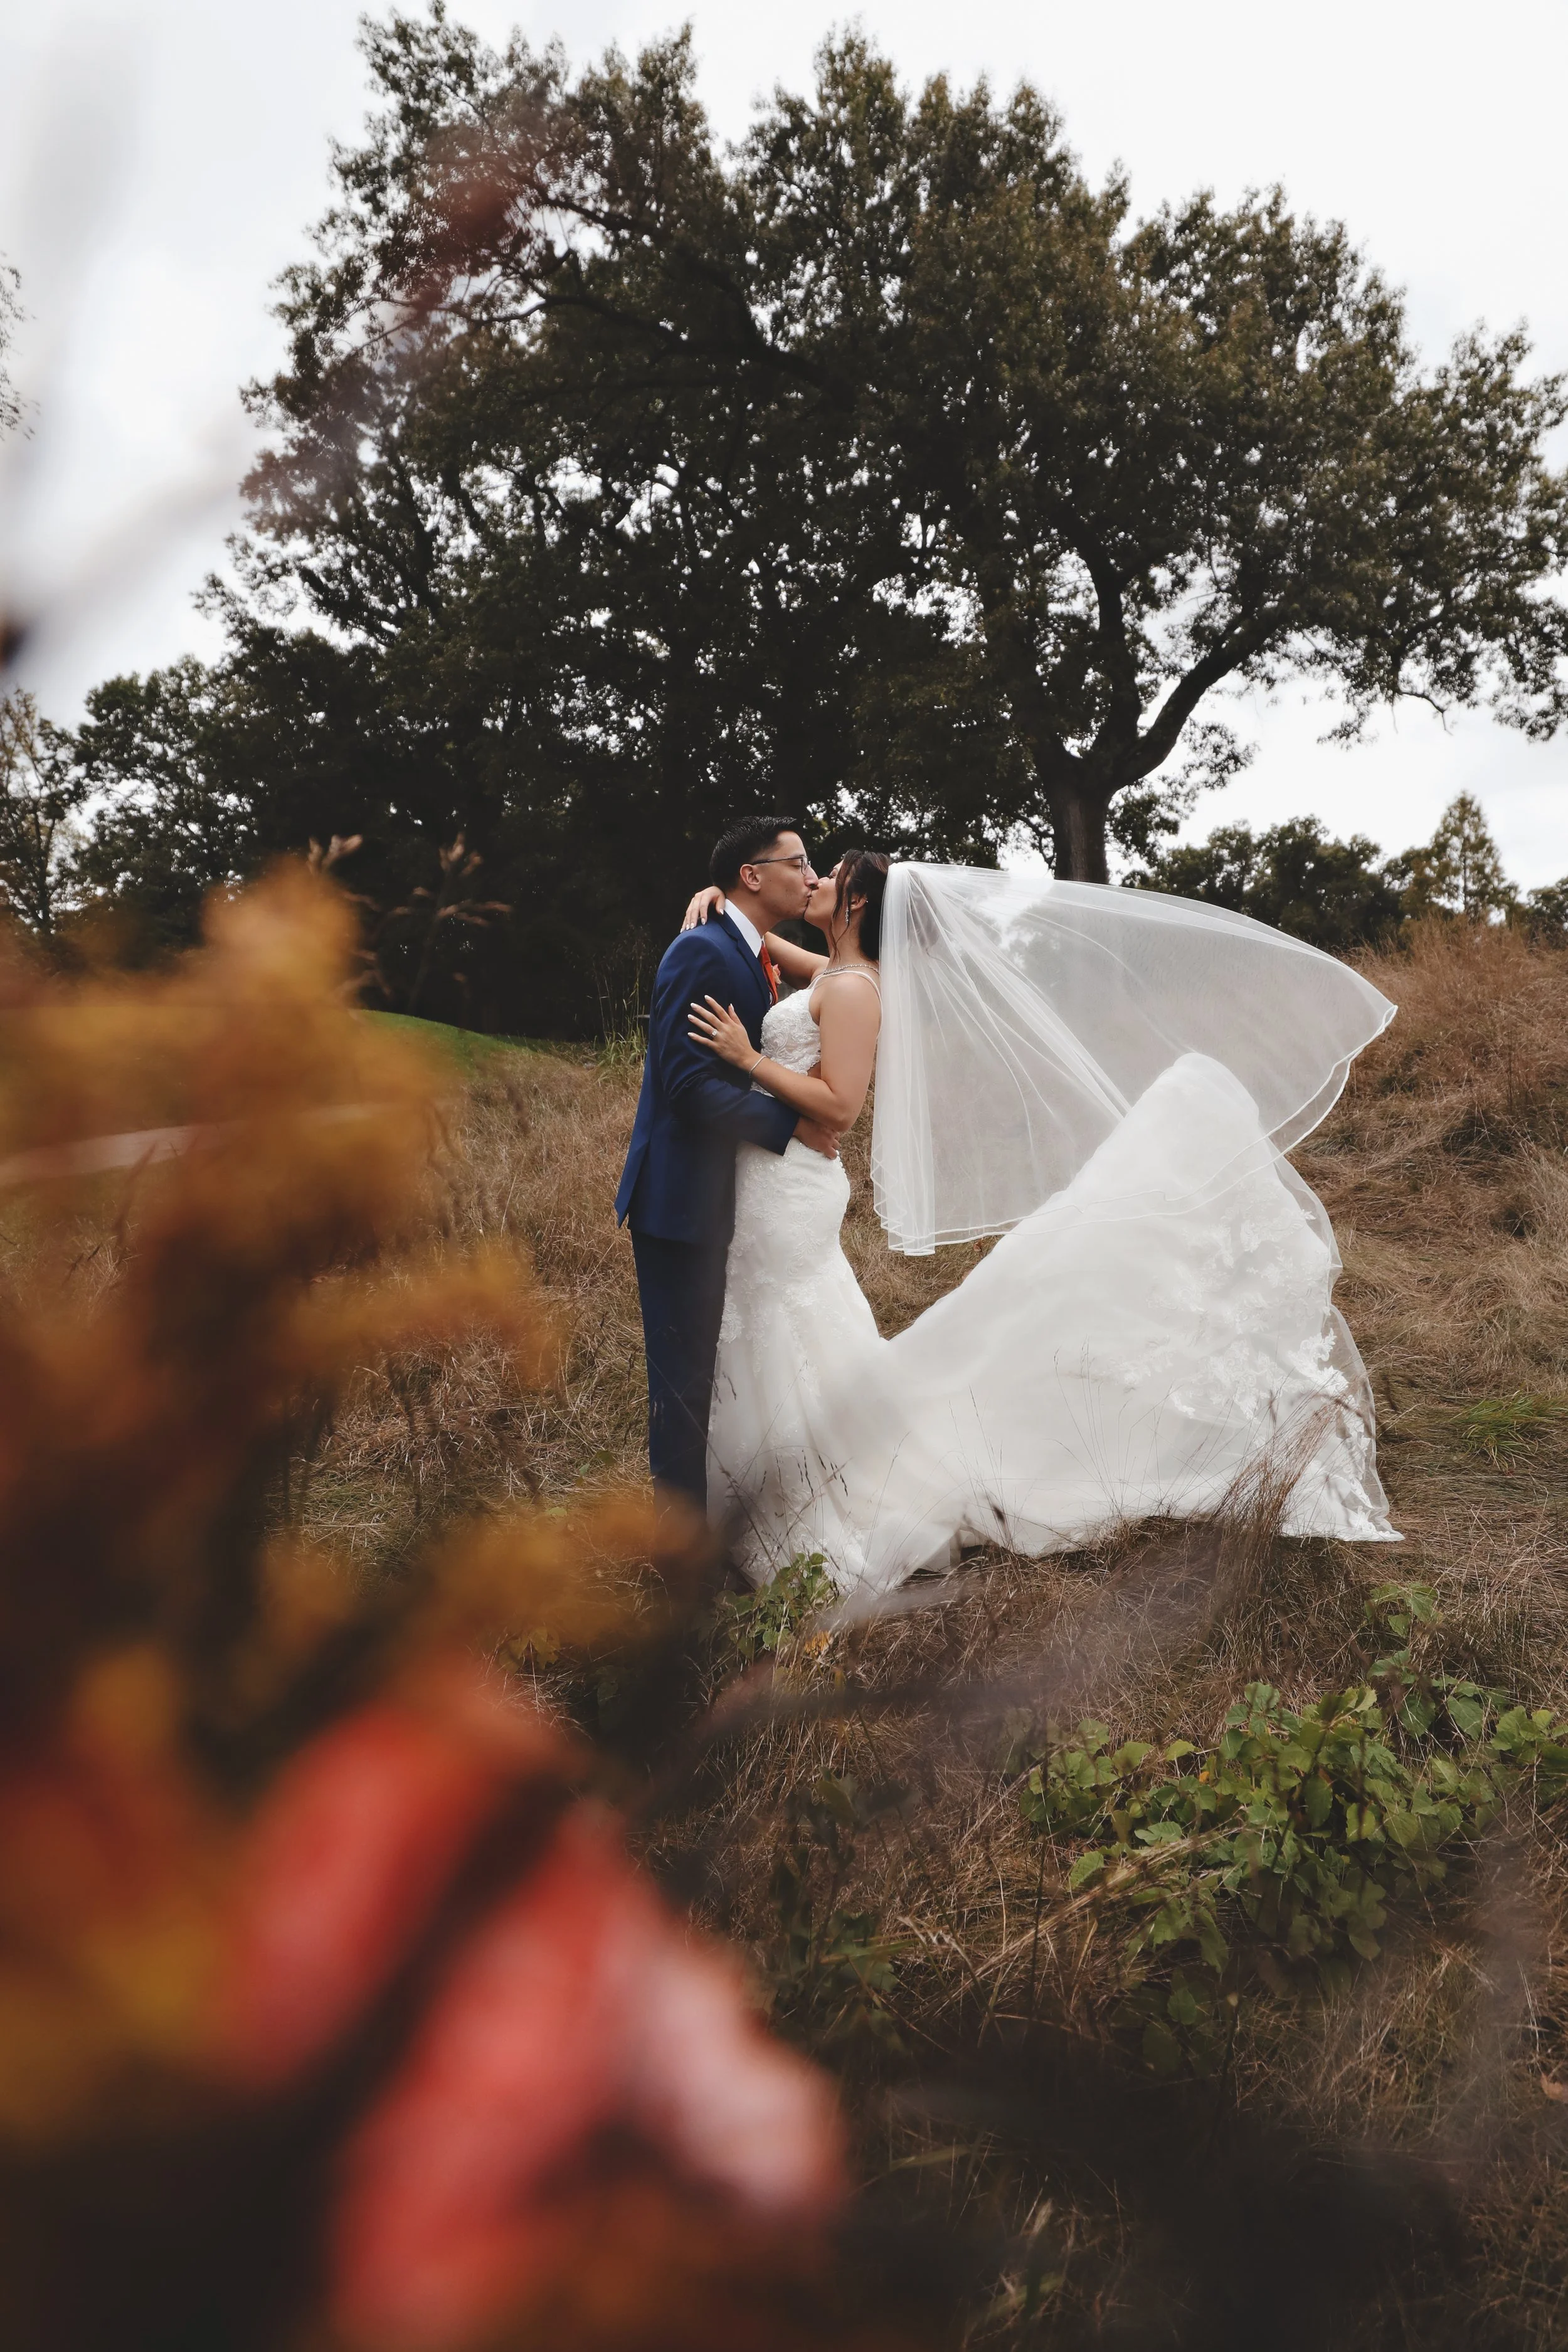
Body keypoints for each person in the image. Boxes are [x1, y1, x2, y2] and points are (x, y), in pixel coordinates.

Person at [682, 854, 1401, 1612]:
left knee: (798, 1321)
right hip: (781, 1181)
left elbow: (839, 1105)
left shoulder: (854, 987)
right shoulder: (835, 971)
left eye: (826, 875)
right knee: (806, 1331)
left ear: (856, 900)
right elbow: (768, 950)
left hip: (796, 1185)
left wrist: (747, 1058)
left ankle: (809, 1497)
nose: (815, 881)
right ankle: (781, 1480)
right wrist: (723, 902)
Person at [615, 816, 841, 1505]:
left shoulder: (748, 952)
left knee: (716, 1371)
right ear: (752, 875)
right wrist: (793, 1124)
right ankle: (678, 1553)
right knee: (682, 1379)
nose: (811, 876)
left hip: (726, 1191)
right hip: (681, 1197)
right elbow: (686, 1086)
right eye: (799, 863)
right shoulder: (702, 952)